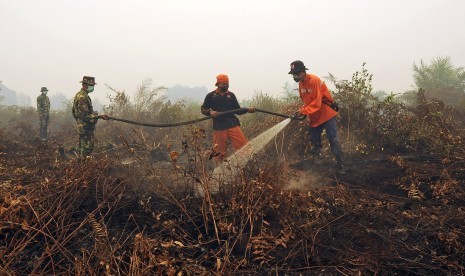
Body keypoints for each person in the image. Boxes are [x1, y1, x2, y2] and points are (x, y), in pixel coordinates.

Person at [289, 60, 343, 168]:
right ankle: (316, 163)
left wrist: (304, 111)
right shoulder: (301, 85)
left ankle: (340, 164)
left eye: (296, 73)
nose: (295, 76)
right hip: (314, 117)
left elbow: (317, 102)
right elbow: (306, 103)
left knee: (333, 139)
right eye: (293, 74)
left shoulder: (314, 80)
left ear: (303, 72)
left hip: (325, 114)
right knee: (314, 140)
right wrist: (300, 111)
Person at [201, 74, 255, 162]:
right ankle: (220, 172)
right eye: (223, 84)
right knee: (218, 153)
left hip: (233, 125)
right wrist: (210, 112)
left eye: (227, 84)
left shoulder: (231, 95)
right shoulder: (211, 96)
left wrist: (248, 109)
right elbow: (203, 109)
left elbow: (237, 110)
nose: (225, 86)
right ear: (218, 84)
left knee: (244, 148)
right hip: (219, 127)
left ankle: (247, 166)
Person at [72, 76, 109, 158]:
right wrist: (99, 116)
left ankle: (82, 166)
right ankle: (84, 167)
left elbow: (74, 113)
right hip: (85, 128)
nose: (93, 87)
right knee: (86, 149)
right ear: (85, 85)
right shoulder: (82, 97)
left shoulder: (82, 95)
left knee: (83, 150)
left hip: (85, 127)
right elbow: (86, 116)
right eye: (91, 85)